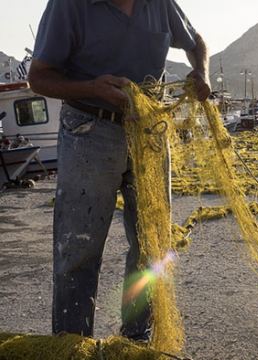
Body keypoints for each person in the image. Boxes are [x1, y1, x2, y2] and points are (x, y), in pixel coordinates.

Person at [28, 0, 211, 340]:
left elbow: (196, 42)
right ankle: (72, 343)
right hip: (89, 130)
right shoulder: (68, 7)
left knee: (150, 243)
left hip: (149, 133)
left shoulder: (160, 4)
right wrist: (91, 88)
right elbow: (38, 79)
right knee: (79, 249)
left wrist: (201, 71)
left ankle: (136, 338)